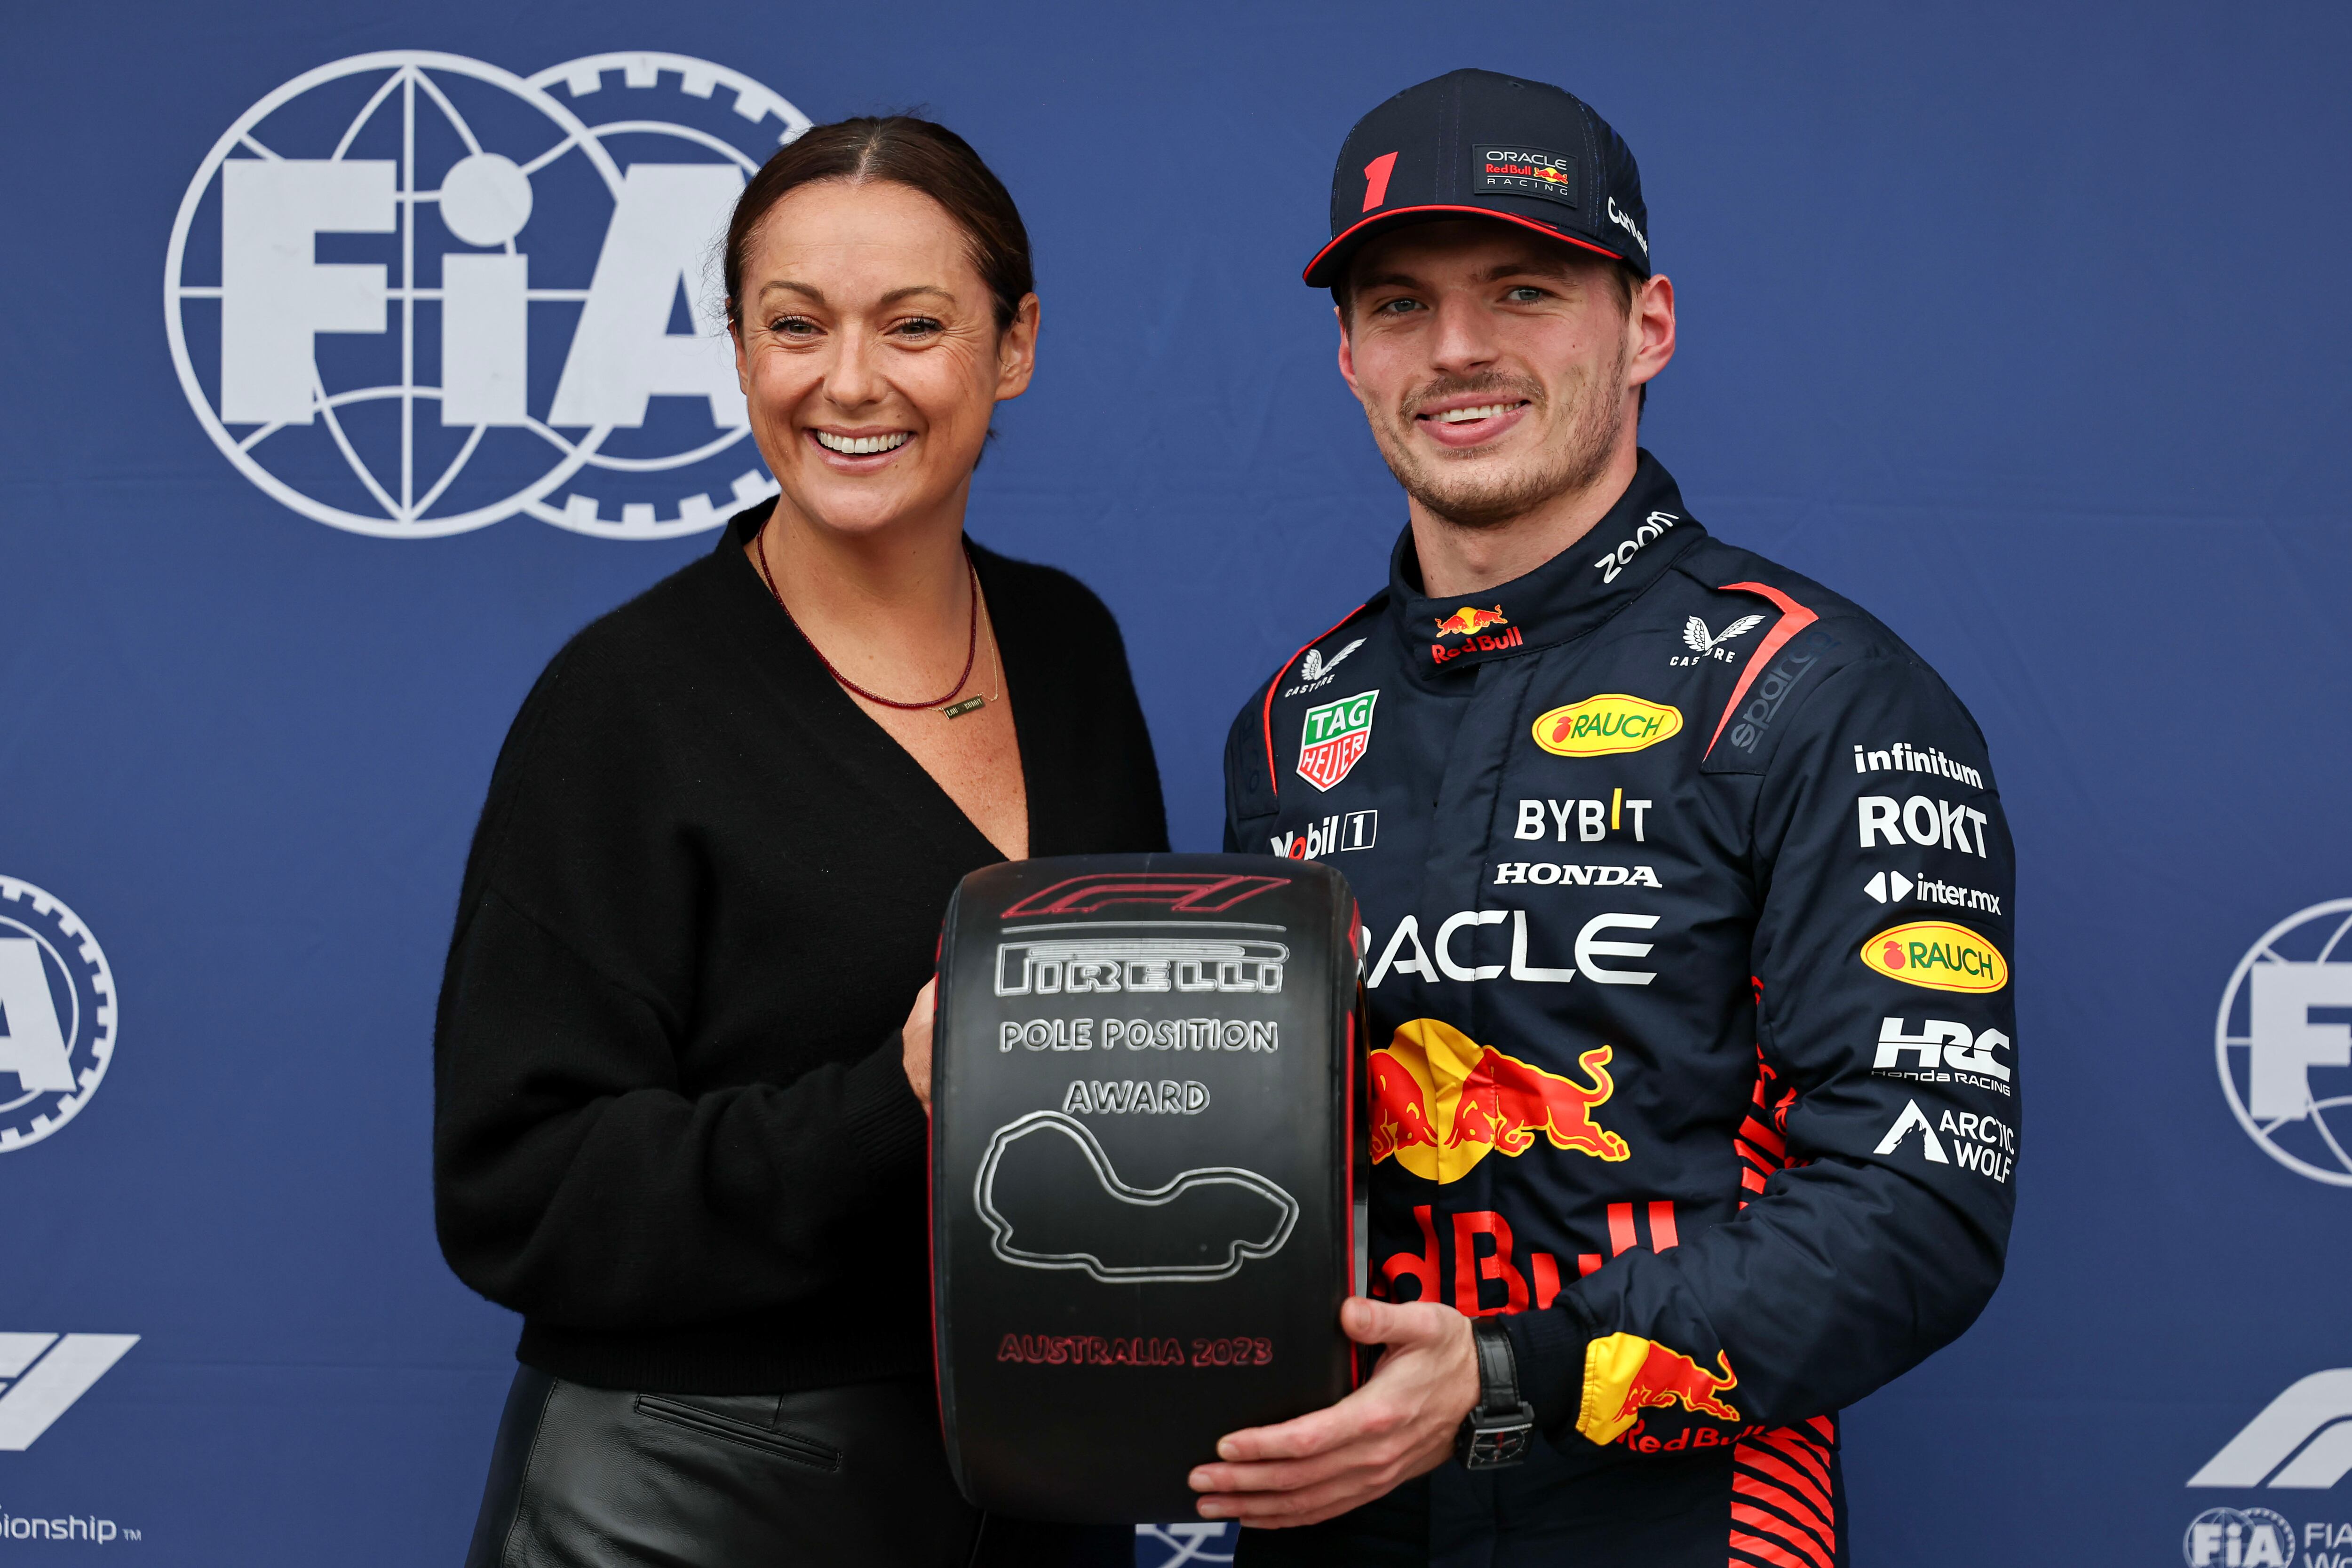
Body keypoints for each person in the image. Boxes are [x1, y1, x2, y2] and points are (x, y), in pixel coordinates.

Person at [1194, 69, 2018, 1565]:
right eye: (1398, 304)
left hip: (1679, 1520)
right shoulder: (1287, 725)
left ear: (1647, 327)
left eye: (1524, 289)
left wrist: (1506, 1383)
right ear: (1348, 355)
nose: (1457, 349)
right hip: (1339, 1517)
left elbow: (1915, 1209)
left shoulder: (1816, 695)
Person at [434, 116, 1160, 1567]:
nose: (849, 381)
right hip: (695, 1492)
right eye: (794, 326)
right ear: (739, 349)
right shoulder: (628, 701)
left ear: (1012, 346)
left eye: (914, 324)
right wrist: (895, 1099)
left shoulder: (1069, 645)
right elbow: (517, 1187)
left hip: (1040, 1477)